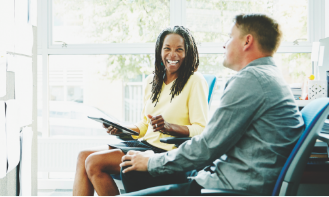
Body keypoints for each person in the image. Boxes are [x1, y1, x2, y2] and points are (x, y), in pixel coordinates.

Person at [119, 13, 305, 196]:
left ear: (247, 41)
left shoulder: (250, 80)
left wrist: (152, 162)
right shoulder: (268, 76)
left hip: (226, 188)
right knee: (134, 171)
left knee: (134, 174)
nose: (225, 44)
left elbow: (207, 146)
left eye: (230, 37)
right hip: (232, 179)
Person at [72, 26, 209, 197]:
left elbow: (201, 128)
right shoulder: (151, 81)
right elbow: (145, 124)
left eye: (179, 50)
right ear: (160, 51)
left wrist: (170, 127)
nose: (172, 55)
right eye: (167, 48)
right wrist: (123, 130)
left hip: (165, 150)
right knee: (82, 156)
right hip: (145, 144)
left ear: (187, 53)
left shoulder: (195, 81)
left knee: (93, 162)